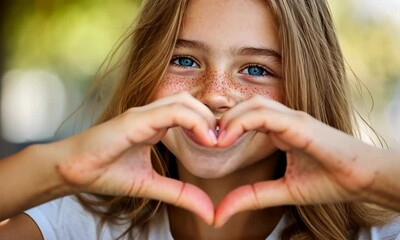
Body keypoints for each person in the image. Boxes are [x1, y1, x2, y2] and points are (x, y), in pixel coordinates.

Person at [0, 0, 400, 239]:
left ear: (306, 89)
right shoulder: (82, 226)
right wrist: (57, 168)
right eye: (185, 60)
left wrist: (371, 176)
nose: (215, 93)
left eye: (257, 69)